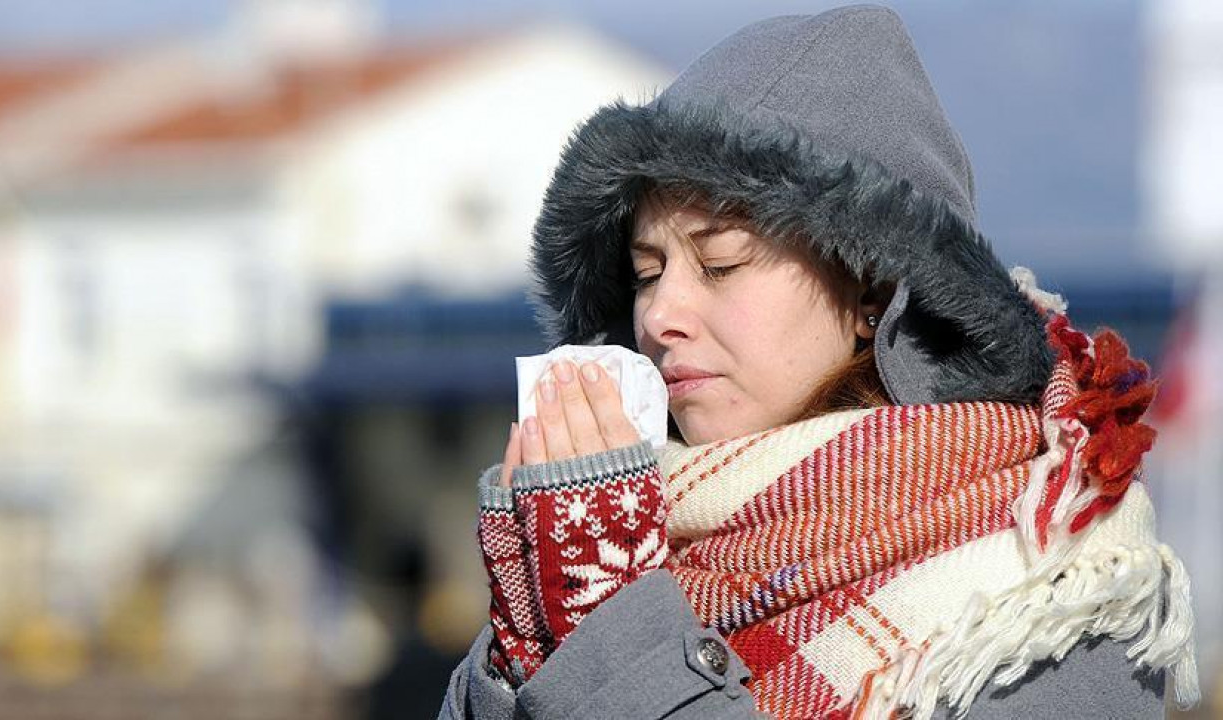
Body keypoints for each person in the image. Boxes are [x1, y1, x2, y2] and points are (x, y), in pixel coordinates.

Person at [439, 6, 1200, 719]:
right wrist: (523, 649)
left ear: (873, 286)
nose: (659, 315)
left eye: (720, 263)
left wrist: (612, 631)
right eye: (645, 273)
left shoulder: (1048, 590)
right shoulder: (618, 524)